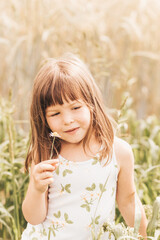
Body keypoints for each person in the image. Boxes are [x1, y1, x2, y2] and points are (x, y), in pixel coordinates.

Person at [21, 53, 147, 240]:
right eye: (55, 114)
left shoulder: (118, 152)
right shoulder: (47, 153)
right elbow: (34, 217)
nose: (67, 120)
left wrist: (144, 235)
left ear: (91, 104)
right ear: (43, 118)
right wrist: (37, 189)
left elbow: (128, 201)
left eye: (75, 108)